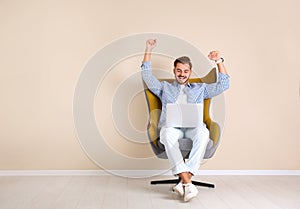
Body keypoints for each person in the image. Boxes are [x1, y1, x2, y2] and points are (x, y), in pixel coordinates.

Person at [141, 39, 229, 202]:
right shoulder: (164, 87)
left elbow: (224, 85)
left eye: (185, 71)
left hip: (193, 127)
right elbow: (146, 75)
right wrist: (148, 49)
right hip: (172, 127)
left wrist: (219, 61)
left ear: (190, 72)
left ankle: (184, 181)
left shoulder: (201, 88)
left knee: (203, 134)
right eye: (179, 70)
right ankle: (188, 183)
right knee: (166, 135)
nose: (182, 74)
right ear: (174, 70)